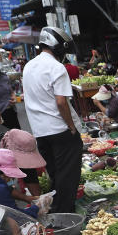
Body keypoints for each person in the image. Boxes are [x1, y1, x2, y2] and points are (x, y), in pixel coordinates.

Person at [22, 26, 82, 214]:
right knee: (68, 176)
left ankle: (55, 212)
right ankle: (65, 215)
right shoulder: (57, 67)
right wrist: (71, 127)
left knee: (55, 174)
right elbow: (61, 102)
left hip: (41, 132)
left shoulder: (29, 66)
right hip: (60, 129)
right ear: (58, 47)